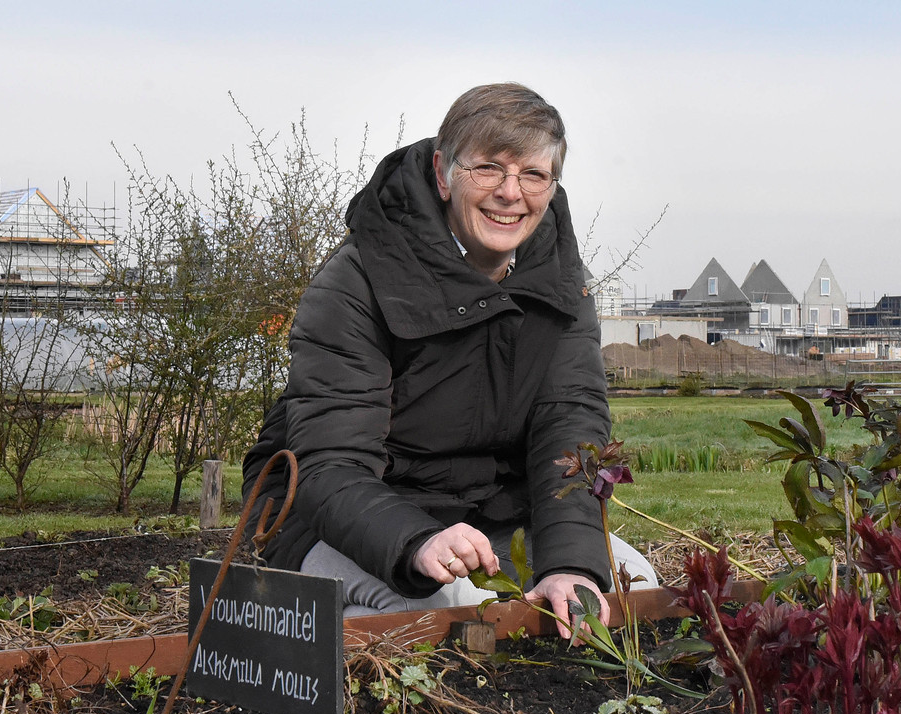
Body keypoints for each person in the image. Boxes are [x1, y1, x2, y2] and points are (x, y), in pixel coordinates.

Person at [241, 83, 655, 636]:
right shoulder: (357, 281)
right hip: (340, 517)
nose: (510, 193)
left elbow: (569, 426)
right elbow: (332, 464)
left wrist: (568, 565)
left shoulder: (560, 284)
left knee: (628, 589)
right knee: (454, 611)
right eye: (488, 168)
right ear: (443, 173)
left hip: (490, 515)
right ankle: (282, 626)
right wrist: (416, 542)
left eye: (532, 174)